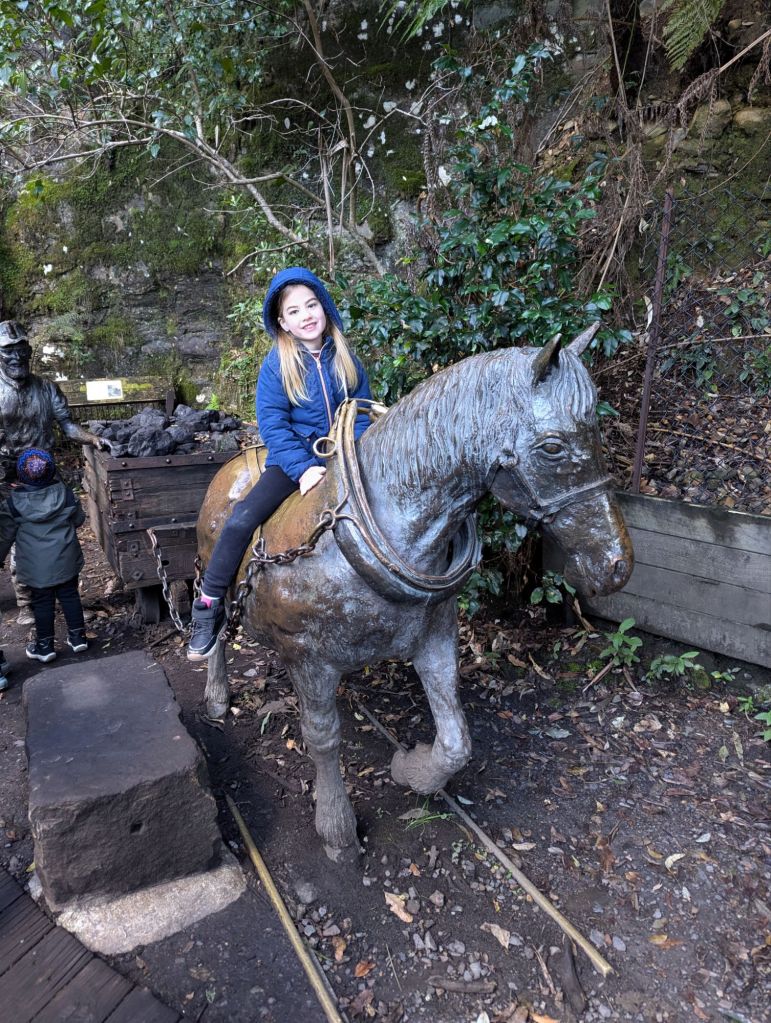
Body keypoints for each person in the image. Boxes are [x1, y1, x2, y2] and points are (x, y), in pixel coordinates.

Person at [187, 267, 372, 661]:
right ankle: (208, 604)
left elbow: (361, 409)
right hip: (293, 461)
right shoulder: (277, 365)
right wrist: (303, 468)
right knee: (241, 519)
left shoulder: (345, 357)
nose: (306, 315)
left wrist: (352, 447)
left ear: (324, 307)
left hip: (345, 456)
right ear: (282, 322)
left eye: (311, 305)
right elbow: (273, 425)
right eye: (294, 311)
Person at [0, 320, 108, 625]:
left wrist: (93, 439)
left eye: (22, 350)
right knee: (18, 537)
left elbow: (68, 426)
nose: (17, 357)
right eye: (9, 351)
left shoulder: (46, 388)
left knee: (58, 532)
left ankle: (67, 596)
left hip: (44, 473)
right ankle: (27, 603)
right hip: (8, 476)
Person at [0, 449, 89, 663]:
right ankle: (78, 638)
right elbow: (78, 519)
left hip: (35, 566)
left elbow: (5, 535)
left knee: (41, 603)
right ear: (51, 471)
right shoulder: (66, 494)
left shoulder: (12, 504)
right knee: (70, 595)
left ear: (21, 474)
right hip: (66, 558)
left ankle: (45, 647)